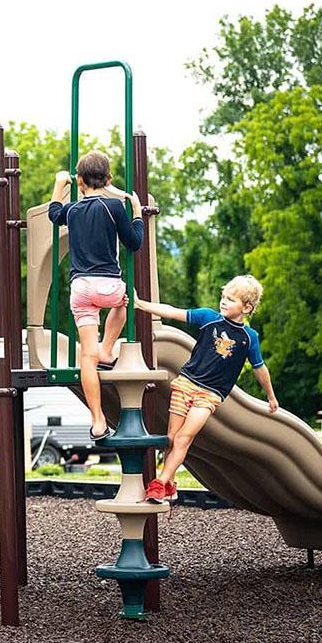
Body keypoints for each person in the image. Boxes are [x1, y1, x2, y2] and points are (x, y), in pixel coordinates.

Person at [134, 275, 279, 503]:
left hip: (210, 395)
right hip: (186, 383)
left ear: (247, 307)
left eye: (231, 299)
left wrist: (271, 397)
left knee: (184, 438)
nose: (223, 301)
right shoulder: (208, 318)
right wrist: (141, 304)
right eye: (223, 296)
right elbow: (173, 311)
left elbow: (259, 368)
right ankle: (170, 484)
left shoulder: (249, 338)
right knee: (171, 438)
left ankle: (160, 484)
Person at [48, 151, 144, 441]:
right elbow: (134, 242)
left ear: (79, 181)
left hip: (81, 289)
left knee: (86, 357)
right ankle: (109, 347)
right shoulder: (114, 206)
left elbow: (54, 213)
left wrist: (58, 184)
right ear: (109, 179)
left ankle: (98, 420)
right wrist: (137, 210)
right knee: (128, 299)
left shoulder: (73, 210)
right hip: (110, 287)